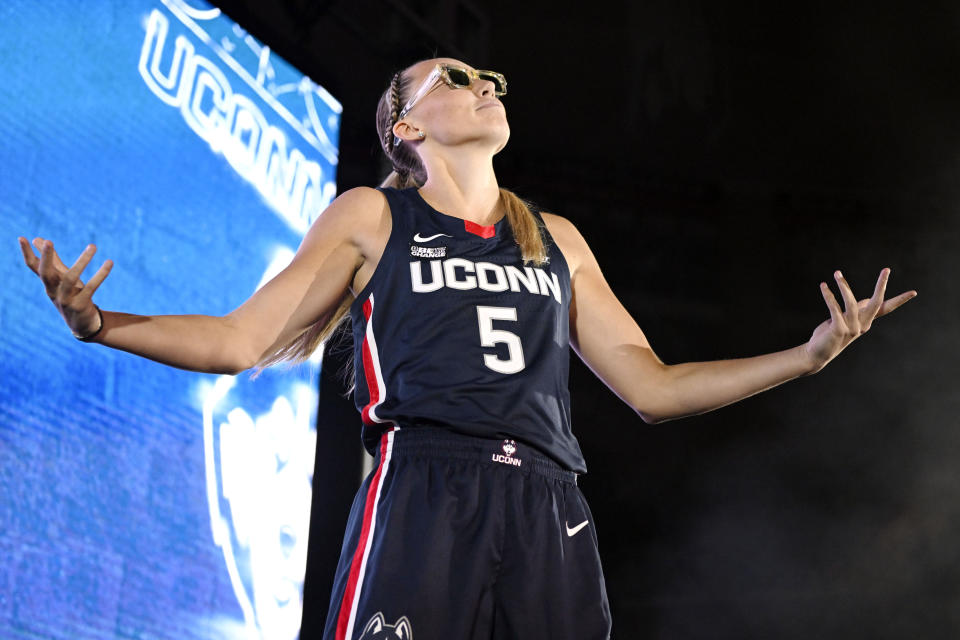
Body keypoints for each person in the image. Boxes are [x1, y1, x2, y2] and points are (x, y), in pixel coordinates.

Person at [18, 57, 916, 640]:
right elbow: (240, 338)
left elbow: (651, 386)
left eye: (489, 76)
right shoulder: (375, 215)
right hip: (425, 487)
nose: (485, 82)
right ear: (404, 128)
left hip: (549, 503)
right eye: (452, 77)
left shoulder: (553, 238)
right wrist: (103, 324)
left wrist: (805, 357)